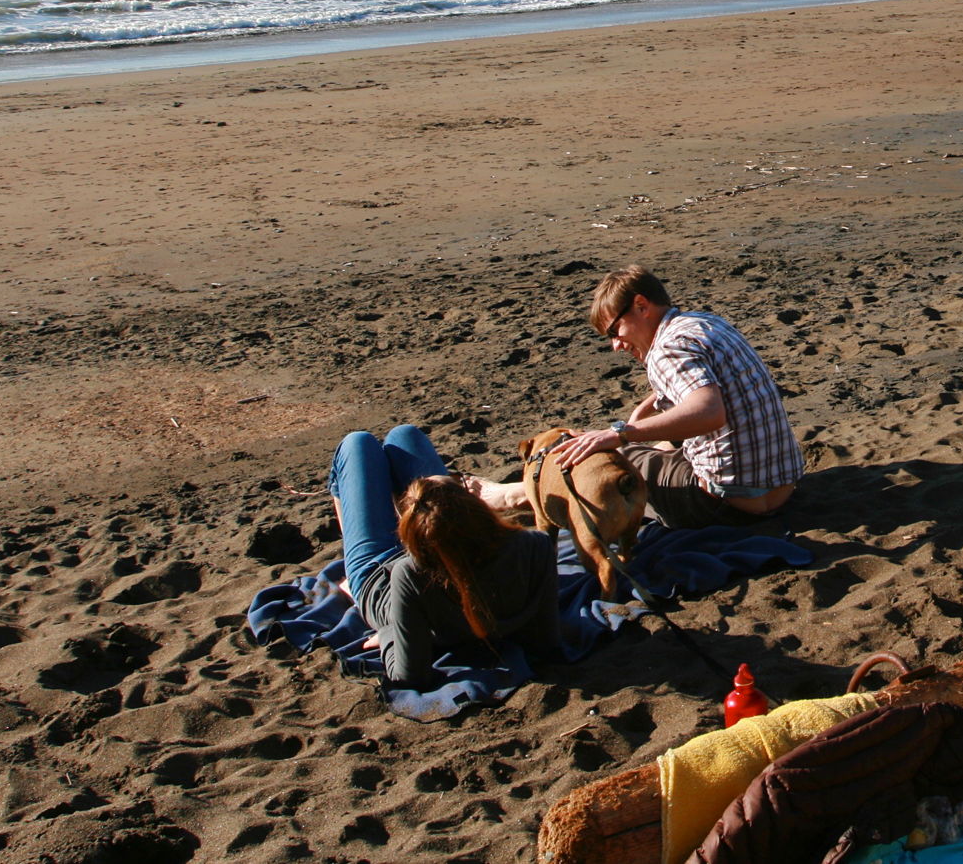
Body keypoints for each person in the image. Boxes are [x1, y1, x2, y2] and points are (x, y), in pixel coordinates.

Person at [554, 266, 804, 528]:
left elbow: (709, 411)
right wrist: (641, 412)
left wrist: (620, 434)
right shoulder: (706, 323)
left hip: (726, 505)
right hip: (781, 489)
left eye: (614, 331)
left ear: (641, 306)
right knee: (664, 443)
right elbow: (702, 381)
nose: (616, 345)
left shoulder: (666, 349)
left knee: (615, 455)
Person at [330, 424, 559, 689]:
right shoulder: (536, 545)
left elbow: (408, 675)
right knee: (405, 435)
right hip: (435, 561)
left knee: (357, 443)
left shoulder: (409, 574)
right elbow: (547, 642)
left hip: (379, 576)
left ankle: (352, 566)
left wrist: (391, 632)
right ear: (477, 509)